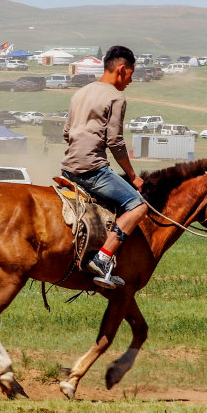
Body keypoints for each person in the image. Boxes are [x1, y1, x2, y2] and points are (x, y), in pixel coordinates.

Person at [61, 45, 147, 290]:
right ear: (122, 70)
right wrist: (133, 176)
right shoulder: (116, 97)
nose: (130, 80)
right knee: (137, 206)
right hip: (93, 170)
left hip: (68, 169)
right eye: (131, 74)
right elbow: (115, 142)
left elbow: (67, 133)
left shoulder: (80, 93)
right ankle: (103, 258)